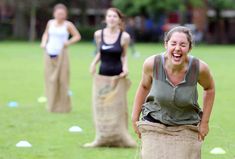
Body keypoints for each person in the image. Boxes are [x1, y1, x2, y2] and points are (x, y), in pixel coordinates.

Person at [132, 26, 215, 159]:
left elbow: (209, 89)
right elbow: (143, 87)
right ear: (166, 44)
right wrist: (134, 117)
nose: (177, 48)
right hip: (155, 122)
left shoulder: (199, 68)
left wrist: (205, 122)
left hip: (185, 125)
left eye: (183, 44)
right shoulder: (152, 64)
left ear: (190, 48)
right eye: (173, 43)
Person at [85, 8, 136, 148]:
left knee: (117, 108)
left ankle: (121, 138)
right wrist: (93, 64)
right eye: (109, 16)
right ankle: (100, 138)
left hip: (118, 76)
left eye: (115, 16)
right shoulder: (98, 35)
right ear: (105, 18)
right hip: (102, 76)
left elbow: (124, 55)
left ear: (119, 19)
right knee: (102, 106)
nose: (112, 18)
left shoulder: (124, 36)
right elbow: (100, 53)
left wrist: (126, 68)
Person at [40, 3, 81, 113]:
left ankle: (64, 107)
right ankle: (52, 106)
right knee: (50, 80)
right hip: (49, 54)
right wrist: (44, 42)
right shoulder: (50, 23)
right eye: (58, 13)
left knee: (62, 81)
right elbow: (46, 34)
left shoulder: (68, 25)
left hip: (62, 55)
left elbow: (77, 36)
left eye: (62, 14)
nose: (60, 15)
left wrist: (68, 42)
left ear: (65, 15)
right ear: (54, 14)